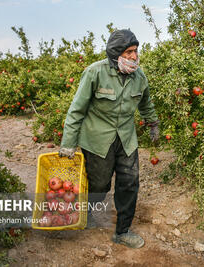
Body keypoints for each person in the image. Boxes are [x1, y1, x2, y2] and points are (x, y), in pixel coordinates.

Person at [58, 29, 159, 249]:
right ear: (116, 53)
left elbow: (146, 103)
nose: (134, 56)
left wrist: (153, 123)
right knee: (99, 185)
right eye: (129, 51)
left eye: (136, 51)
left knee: (129, 183)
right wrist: (68, 144)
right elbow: (77, 110)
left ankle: (122, 231)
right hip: (97, 139)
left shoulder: (139, 76)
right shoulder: (95, 72)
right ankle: (85, 214)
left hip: (126, 138)